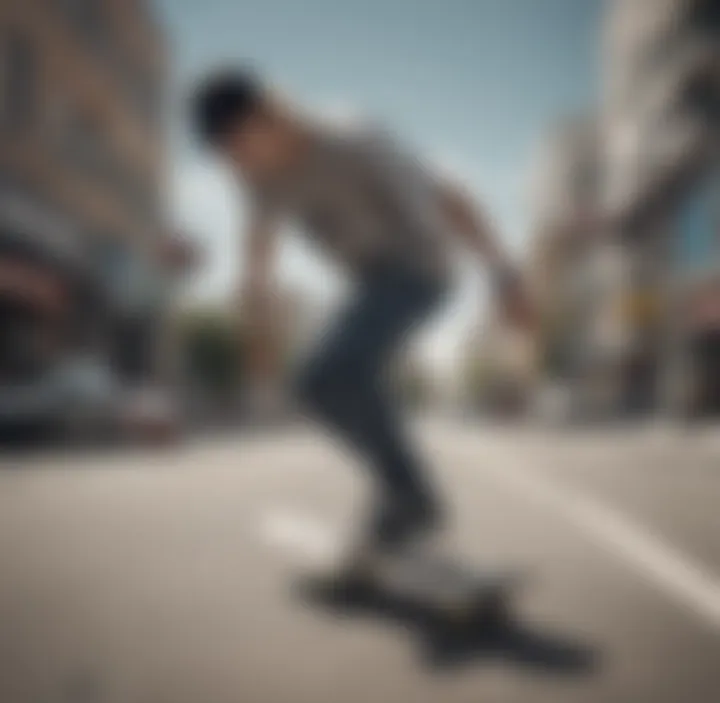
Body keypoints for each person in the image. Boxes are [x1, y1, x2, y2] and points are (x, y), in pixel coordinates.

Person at [191, 69, 532, 576]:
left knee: (339, 367)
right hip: (371, 282)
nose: (240, 166)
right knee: (312, 384)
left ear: (269, 116)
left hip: (424, 269)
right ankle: (400, 494)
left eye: (240, 148)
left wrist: (504, 275)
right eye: (229, 159)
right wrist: (257, 337)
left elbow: (448, 196)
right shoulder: (257, 181)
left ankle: (411, 497)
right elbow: (255, 266)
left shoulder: (352, 140)